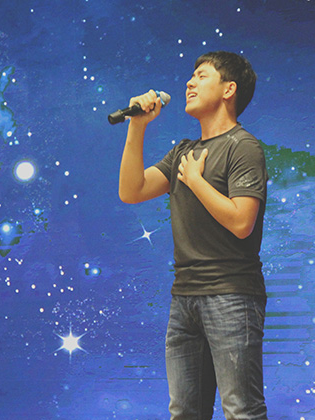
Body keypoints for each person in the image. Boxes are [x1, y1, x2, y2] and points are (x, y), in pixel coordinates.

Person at [118, 51, 268, 420]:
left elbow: (242, 222)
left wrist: (196, 182)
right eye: (191, 75)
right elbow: (132, 190)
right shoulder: (183, 152)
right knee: (185, 411)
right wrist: (137, 125)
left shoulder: (243, 147)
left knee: (242, 410)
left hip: (232, 295)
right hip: (184, 299)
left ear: (229, 89)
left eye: (201, 75)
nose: (189, 82)